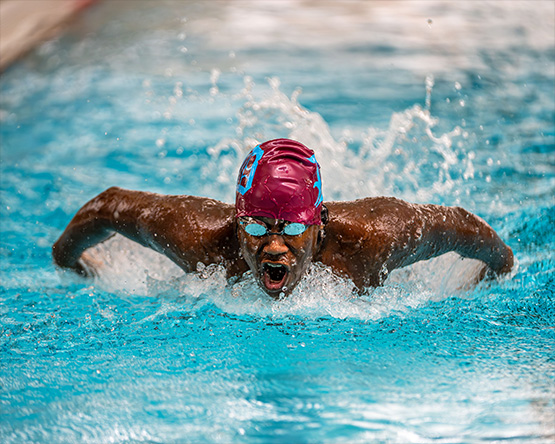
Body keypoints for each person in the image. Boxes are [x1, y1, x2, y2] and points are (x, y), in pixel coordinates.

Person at [52, 138, 514, 298]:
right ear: (237, 221)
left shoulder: (374, 238)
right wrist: (68, 261)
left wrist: (497, 270)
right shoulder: (198, 238)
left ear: (317, 224)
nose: (274, 246)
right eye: (256, 227)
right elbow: (108, 206)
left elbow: (460, 226)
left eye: (292, 229)